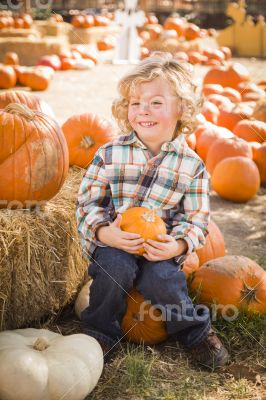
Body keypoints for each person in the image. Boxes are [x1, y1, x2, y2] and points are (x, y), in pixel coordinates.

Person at [76, 53, 230, 369]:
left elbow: (197, 218)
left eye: (156, 103)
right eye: (135, 103)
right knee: (111, 271)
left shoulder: (192, 165)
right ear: (125, 109)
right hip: (117, 242)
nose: (143, 110)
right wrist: (106, 233)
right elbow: (88, 204)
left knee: (165, 282)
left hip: (162, 249)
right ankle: (100, 333)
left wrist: (179, 245)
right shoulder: (110, 153)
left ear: (182, 110)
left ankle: (195, 333)